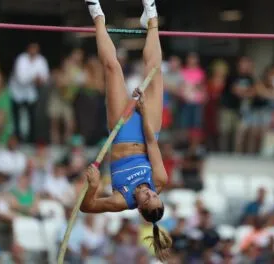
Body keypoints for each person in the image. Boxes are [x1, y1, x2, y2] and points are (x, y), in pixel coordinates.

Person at [80, 0, 172, 261]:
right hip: (147, 130)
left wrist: (94, 187)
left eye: (147, 197)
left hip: (119, 133)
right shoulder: (160, 180)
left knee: (112, 68)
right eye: (155, 194)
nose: (150, 191)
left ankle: (97, 14)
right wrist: (142, 108)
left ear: (140, 208)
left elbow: (88, 207)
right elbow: (153, 145)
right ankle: (152, 19)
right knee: (155, 71)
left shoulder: (121, 201)